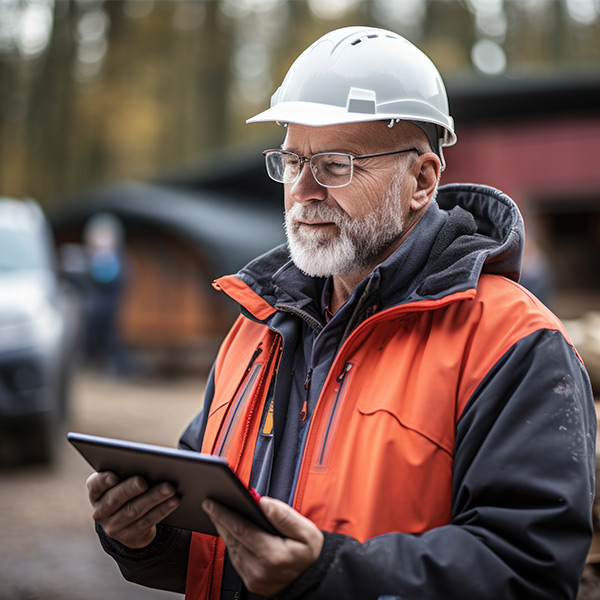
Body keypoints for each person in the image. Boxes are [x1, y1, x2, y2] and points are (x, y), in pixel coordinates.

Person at [86, 26, 596, 600]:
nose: (302, 189)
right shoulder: (255, 326)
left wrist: (330, 575)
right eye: (291, 160)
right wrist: (148, 534)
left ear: (421, 180)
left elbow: (528, 572)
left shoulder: (515, 347)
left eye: (334, 164)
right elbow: (212, 539)